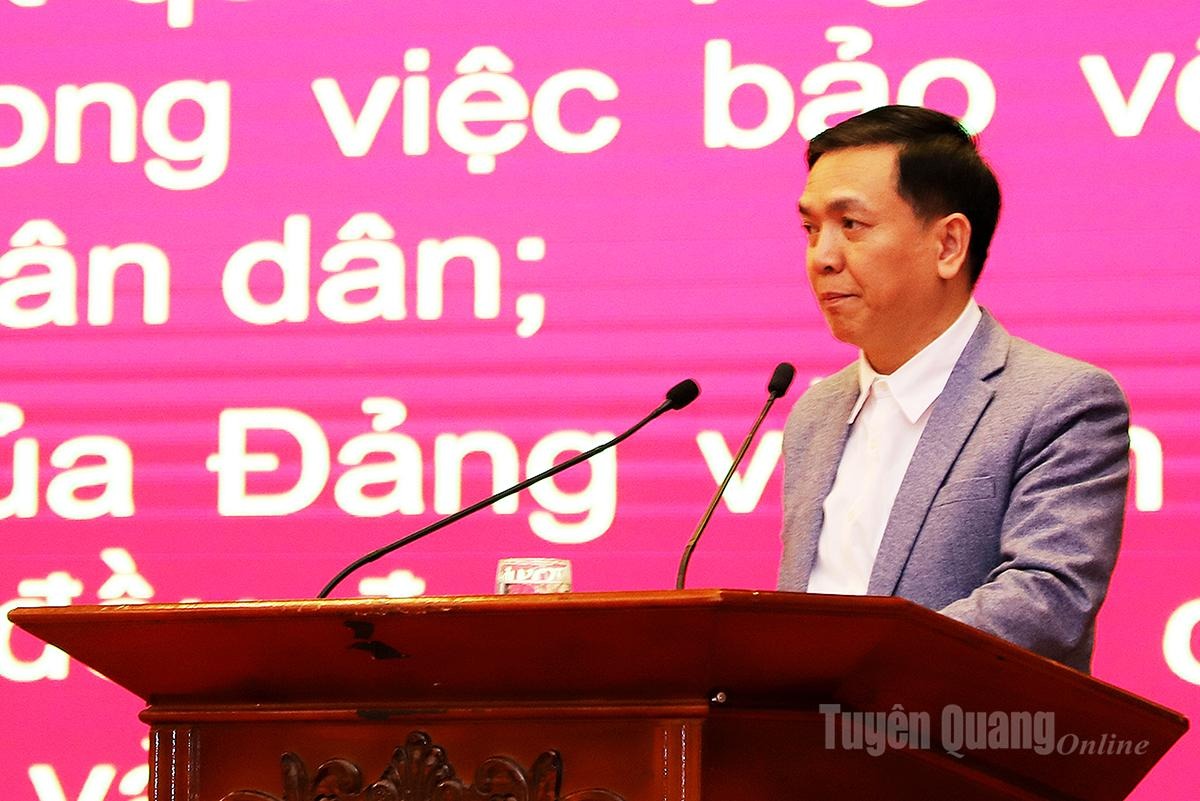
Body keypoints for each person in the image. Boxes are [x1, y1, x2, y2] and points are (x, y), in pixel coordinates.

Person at [776, 105, 1130, 673]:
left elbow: (1048, 601)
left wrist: (854, 672)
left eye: (851, 225)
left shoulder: (1061, 402)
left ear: (948, 245)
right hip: (811, 730)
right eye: (811, 229)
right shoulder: (814, 413)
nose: (822, 257)